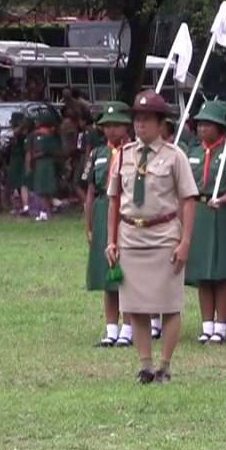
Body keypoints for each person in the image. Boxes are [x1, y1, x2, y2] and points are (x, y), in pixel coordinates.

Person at [104, 90, 198, 384]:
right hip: (132, 235)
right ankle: (145, 364)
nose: (140, 125)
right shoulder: (124, 156)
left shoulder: (174, 156)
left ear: (161, 124)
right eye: (137, 120)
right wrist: (112, 240)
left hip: (164, 235)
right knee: (135, 306)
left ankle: (165, 365)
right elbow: (114, 200)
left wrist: (185, 242)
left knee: (169, 304)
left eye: (147, 120)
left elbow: (188, 200)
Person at [185, 99, 226, 345]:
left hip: (220, 214)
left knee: (221, 274)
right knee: (203, 274)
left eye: (208, 125)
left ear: (220, 127)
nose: (202, 129)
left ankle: (221, 326)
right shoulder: (194, 151)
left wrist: (222, 199)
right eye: (200, 124)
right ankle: (206, 325)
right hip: (199, 212)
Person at [84, 102, 132, 347]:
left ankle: (129, 327)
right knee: (107, 273)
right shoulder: (97, 154)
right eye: (106, 126)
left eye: (116, 125)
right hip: (104, 209)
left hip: (126, 210)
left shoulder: (135, 152)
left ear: (127, 126)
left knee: (129, 274)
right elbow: (91, 191)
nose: (111, 130)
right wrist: (89, 225)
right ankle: (111, 328)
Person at [27, 109, 63, 221]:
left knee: (42, 189)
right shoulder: (49, 135)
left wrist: (33, 159)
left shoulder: (42, 135)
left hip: (43, 163)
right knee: (44, 189)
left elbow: (33, 152)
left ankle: (44, 212)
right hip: (46, 163)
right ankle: (46, 211)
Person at [4, 112, 29, 214]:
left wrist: (22, 124)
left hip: (19, 160)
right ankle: (16, 206)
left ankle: (24, 206)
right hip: (14, 159)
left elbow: (17, 133)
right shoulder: (12, 133)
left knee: (19, 184)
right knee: (13, 185)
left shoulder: (23, 133)